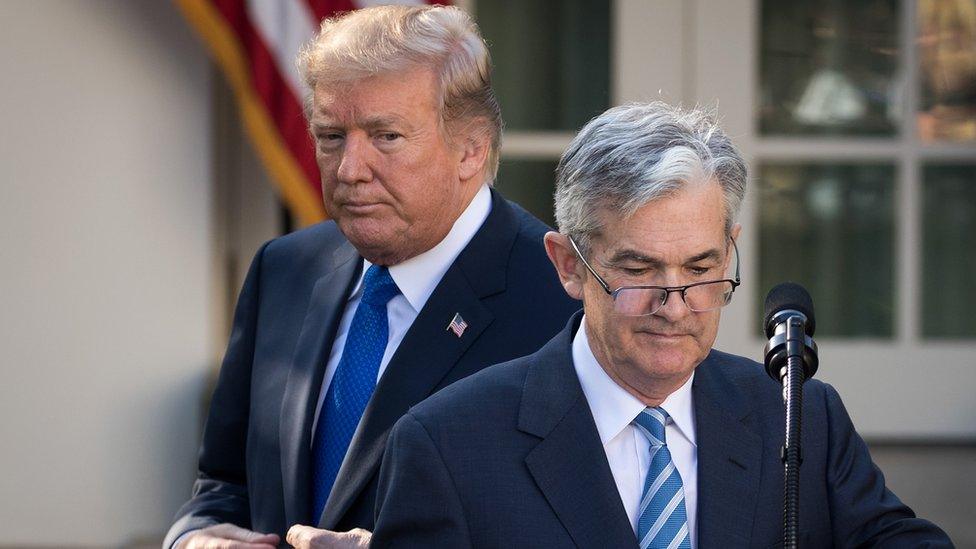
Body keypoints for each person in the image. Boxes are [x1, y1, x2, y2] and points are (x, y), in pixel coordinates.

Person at [371, 102, 953, 548]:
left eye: (701, 269)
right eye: (639, 269)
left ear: (730, 254)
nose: (675, 306)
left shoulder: (801, 418)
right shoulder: (446, 445)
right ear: (568, 265)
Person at [164, 5, 580, 549]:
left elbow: (584, 523)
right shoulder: (282, 271)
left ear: (471, 149)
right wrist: (195, 540)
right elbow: (224, 482)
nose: (349, 168)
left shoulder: (562, 300)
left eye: (386, 136)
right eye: (332, 136)